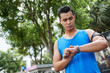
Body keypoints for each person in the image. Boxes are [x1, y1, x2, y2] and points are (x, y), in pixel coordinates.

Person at [53, 5, 108, 73]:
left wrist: (77, 49)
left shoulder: (87, 32)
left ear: (74, 17)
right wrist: (69, 58)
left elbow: (104, 43)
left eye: (70, 18)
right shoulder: (58, 43)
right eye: (65, 20)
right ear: (60, 21)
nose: (68, 22)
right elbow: (56, 67)